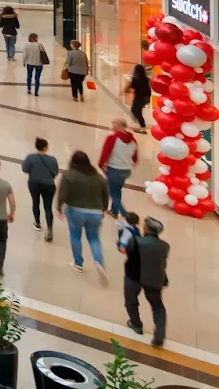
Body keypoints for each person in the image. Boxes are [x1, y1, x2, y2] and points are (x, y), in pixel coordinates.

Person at [58, 149, 111, 276]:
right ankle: (99, 261)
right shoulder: (99, 177)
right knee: (94, 238)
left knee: (75, 236)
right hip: (96, 213)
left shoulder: (69, 175)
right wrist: (104, 208)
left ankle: (78, 263)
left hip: (75, 211)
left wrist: (59, 207)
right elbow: (105, 195)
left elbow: (62, 193)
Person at [123, 217, 169, 346]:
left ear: (146, 228)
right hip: (155, 279)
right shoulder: (165, 246)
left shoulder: (135, 241)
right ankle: (159, 334)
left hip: (134, 277)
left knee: (131, 301)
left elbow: (128, 253)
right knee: (157, 305)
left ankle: (136, 324)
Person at [98, 118, 139, 218]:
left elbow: (105, 153)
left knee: (113, 193)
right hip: (126, 170)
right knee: (117, 190)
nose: (112, 126)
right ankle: (114, 211)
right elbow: (135, 155)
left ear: (119, 125)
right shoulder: (133, 140)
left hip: (114, 169)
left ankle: (125, 214)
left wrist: (101, 164)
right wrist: (133, 162)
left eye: (114, 124)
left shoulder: (112, 138)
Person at [21, 137, 60, 241]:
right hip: (49, 185)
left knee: (35, 202)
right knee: (48, 207)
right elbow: (56, 172)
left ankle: (37, 223)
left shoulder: (30, 157)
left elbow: (24, 169)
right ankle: (49, 229)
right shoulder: (52, 159)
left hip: (34, 183)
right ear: (45, 147)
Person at [125, 64, 152, 130]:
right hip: (145, 98)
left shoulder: (135, 80)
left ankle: (142, 127)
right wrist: (148, 98)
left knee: (135, 111)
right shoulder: (146, 79)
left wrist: (129, 83)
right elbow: (148, 89)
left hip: (139, 98)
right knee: (138, 111)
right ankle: (141, 125)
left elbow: (128, 89)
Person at [22, 32, 46, 97]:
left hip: (30, 63)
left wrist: (23, 62)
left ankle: (29, 89)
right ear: (35, 38)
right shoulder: (40, 45)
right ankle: (36, 91)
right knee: (37, 78)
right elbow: (43, 53)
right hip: (39, 64)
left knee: (29, 76)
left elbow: (25, 55)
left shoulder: (27, 45)